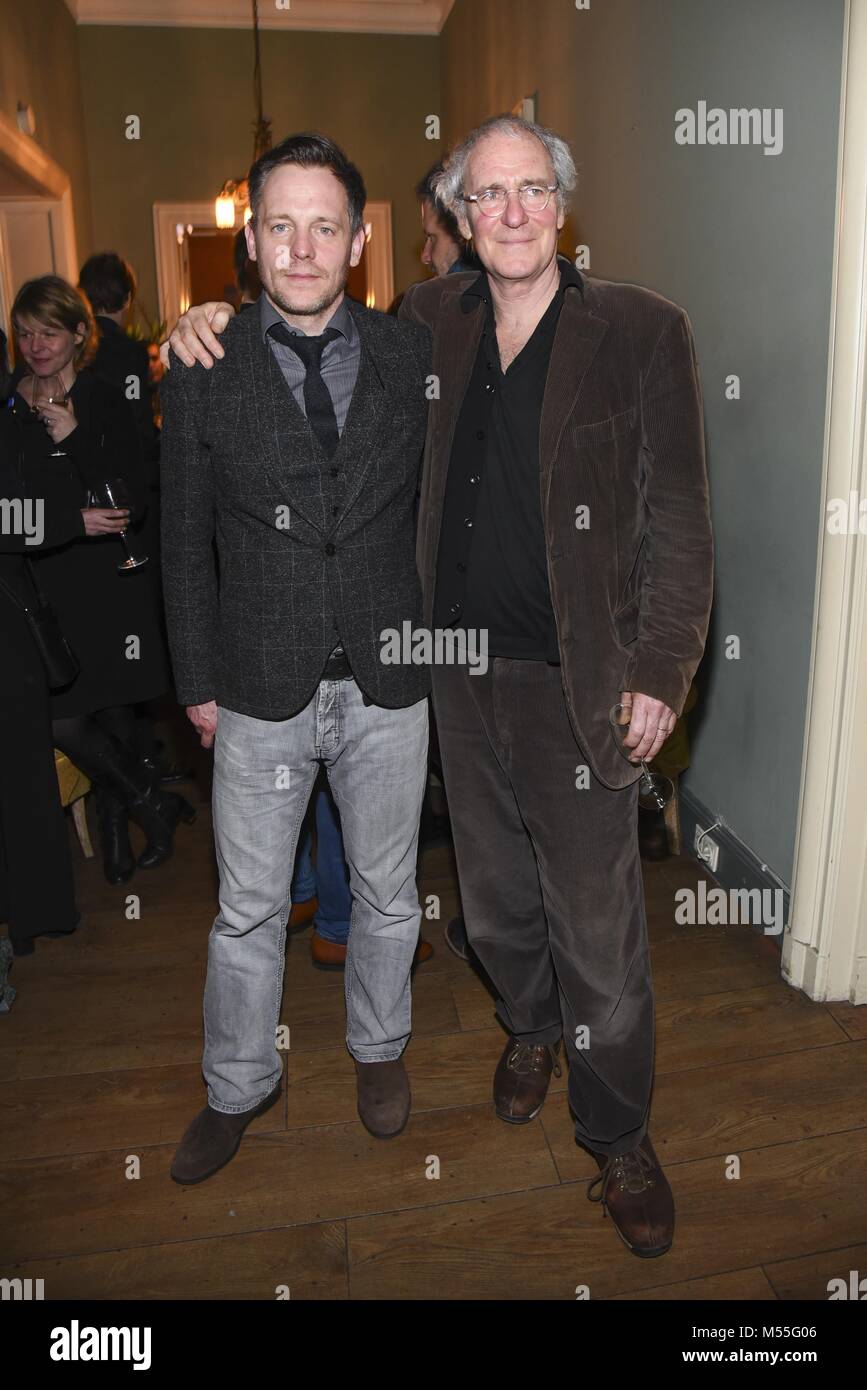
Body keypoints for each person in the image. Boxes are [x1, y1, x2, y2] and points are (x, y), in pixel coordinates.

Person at [169, 113, 714, 1258]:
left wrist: (664, 671)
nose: (508, 213)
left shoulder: (640, 331)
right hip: (449, 679)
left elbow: (678, 523)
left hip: (584, 681)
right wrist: (203, 316)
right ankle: (528, 1026)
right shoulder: (431, 324)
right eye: (485, 196)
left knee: (600, 927)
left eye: (529, 191)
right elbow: (290, 324)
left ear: (561, 207)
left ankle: (618, 1132)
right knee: (499, 909)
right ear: (456, 222)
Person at [160, 133, 433, 1185]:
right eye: (282, 224)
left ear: (359, 241)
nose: (304, 245)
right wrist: (195, 683)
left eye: (327, 225)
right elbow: (183, 539)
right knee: (248, 909)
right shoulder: (202, 367)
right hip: (258, 686)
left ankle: (378, 1047)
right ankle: (238, 1083)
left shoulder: (413, 356)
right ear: (253, 240)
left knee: (389, 889)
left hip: (387, 678)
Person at [9, 276, 193, 887]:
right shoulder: (8, 405)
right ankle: (151, 801)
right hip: (44, 589)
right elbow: (8, 514)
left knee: (115, 714)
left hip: (111, 584)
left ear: (79, 335)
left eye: (50, 333)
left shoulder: (107, 398)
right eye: (26, 332)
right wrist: (67, 520)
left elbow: (133, 498)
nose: (36, 346)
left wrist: (77, 438)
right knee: (65, 719)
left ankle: (118, 833)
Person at [0, 345, 127, 956]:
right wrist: (70, 519)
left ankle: (33, 913)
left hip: (20, 616)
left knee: (29, 767)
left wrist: (70, 518)